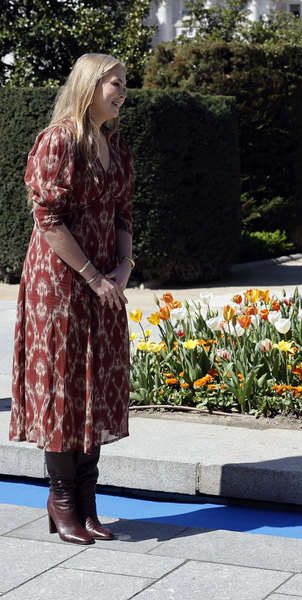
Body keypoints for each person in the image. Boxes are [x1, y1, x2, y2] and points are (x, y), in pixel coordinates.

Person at [9, 54, 135, 545]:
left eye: (125, 85)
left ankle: (87, 501)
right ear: (89, 85)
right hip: (59, 284)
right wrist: (92, 276)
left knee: (96, 382)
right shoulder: (59, 139)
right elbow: (48, 218)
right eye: (115, 84)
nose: (123, 93)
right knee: (63, 384)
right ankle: (61, 500)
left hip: (104, 280)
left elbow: (123, 212)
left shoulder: (117, 145)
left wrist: (123, 269)